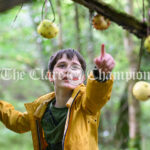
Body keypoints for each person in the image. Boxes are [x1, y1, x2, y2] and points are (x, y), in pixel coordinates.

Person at [0, 44, 115, 150]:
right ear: (50, 75)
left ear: (81, 78)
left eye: (75, 67)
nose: (68, 70)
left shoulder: (85, 103)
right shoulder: (41, 107)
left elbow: (97, 96)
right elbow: (16, 122)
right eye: (62, 65)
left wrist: (101, 73)